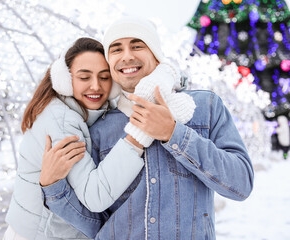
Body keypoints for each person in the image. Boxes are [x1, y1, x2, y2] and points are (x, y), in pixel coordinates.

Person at [41, 16, 254, 239]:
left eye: (137, 45)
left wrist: (174, 134)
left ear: (155, 53)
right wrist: (52, 186)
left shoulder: (204, 107)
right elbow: (96, 222)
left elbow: (241, 184)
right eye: (116, 49)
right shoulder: (99, 127)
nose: (127, 56)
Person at [4, 37, 148, 240]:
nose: (96, 86)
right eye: (84, 77)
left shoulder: (81, 112)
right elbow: (95, 196)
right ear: (66, 80)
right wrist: (137, 138)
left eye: (104, 77)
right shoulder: (62, 121)